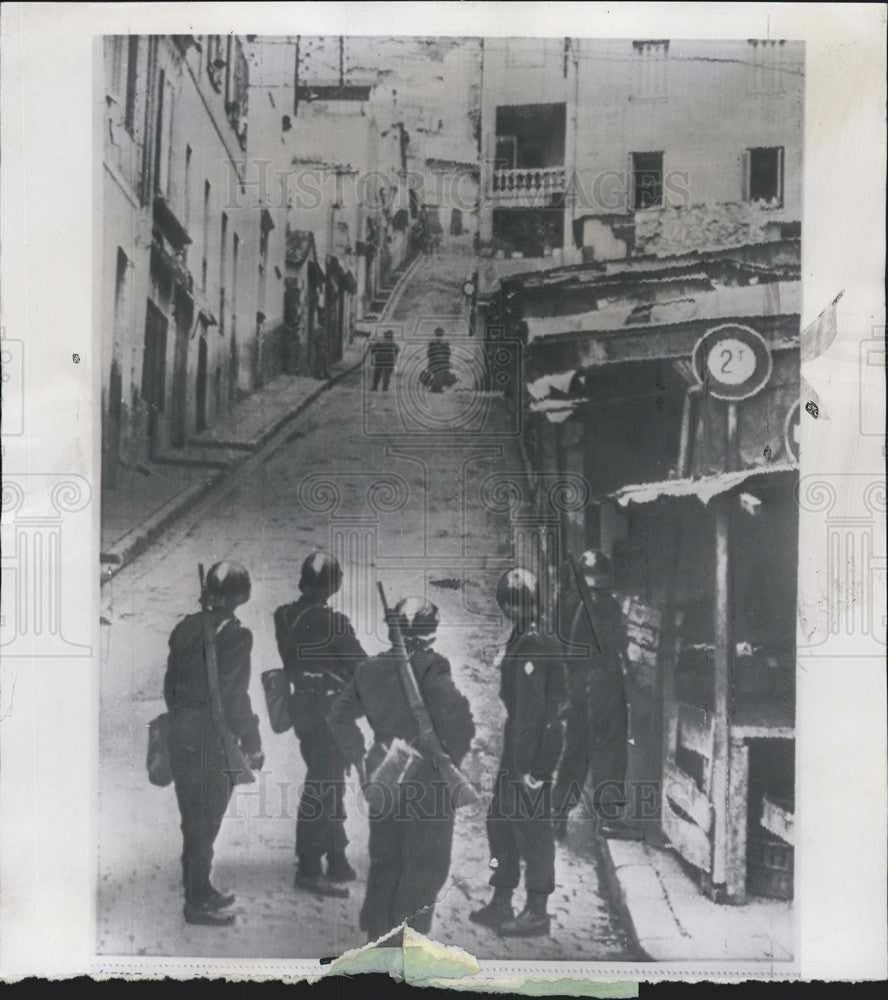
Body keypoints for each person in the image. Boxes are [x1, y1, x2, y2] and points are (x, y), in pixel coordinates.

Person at [332, 597, 475, 943]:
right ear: (430, 632)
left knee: (385, 859)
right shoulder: (433, 668)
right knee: (426, 863)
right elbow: (462, 724)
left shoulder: (369, 669)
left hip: (385, 771)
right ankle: (406, 939)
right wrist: (447, 760)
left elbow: (337, 716)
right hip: (426, 782)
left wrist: (362, 759)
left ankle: (378, 934)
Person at [164, 561, 264, 926]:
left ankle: (200, 888)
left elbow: (170, 687)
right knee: (205, 822)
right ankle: (196, 903)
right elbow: (236, 697)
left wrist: (184, 719)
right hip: (211, 739)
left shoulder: (184, 628)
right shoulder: (236, 635)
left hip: (182, 733)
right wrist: (252, 740)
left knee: (193, 819)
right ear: (240, 596)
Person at [470, 568, 568, 937]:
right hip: (519, 745)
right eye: (509, 603)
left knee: (533, 831)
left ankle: (538, 910)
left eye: (521, 602)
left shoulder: (534, 644)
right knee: (499, 823)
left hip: (532, 750)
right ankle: (502, 898)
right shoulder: (521, 637)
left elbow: (534, 714)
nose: (515, 608)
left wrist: (532, 769)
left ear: (532, 604)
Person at [273, 552, 367, 897]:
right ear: (333, 585)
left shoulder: (284, 616)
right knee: (323, 786)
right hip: (331, 713)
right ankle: (310, 866)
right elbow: (360, 665)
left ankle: (338, 856)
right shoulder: (335, 623)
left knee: (328, 781)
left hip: (303, 711)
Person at [552, 550, 634, 840]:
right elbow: (616, 641)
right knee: (608, 751)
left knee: (575, 753)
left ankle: (558, 815)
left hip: (576, 686)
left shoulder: (566, 603)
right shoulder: (604, 606)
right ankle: (609, 820)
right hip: (601, 684)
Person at [425, 326, 453, 393]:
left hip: (434, 361)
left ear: (435, 333)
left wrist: (431, 359)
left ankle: (435, 388)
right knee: (441, 375)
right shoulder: (446, 342)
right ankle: (438, 388)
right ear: (443, 333)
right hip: (443, 362)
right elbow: (448, 353)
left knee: (436, 375)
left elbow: (429, 353)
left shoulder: (432, 342)